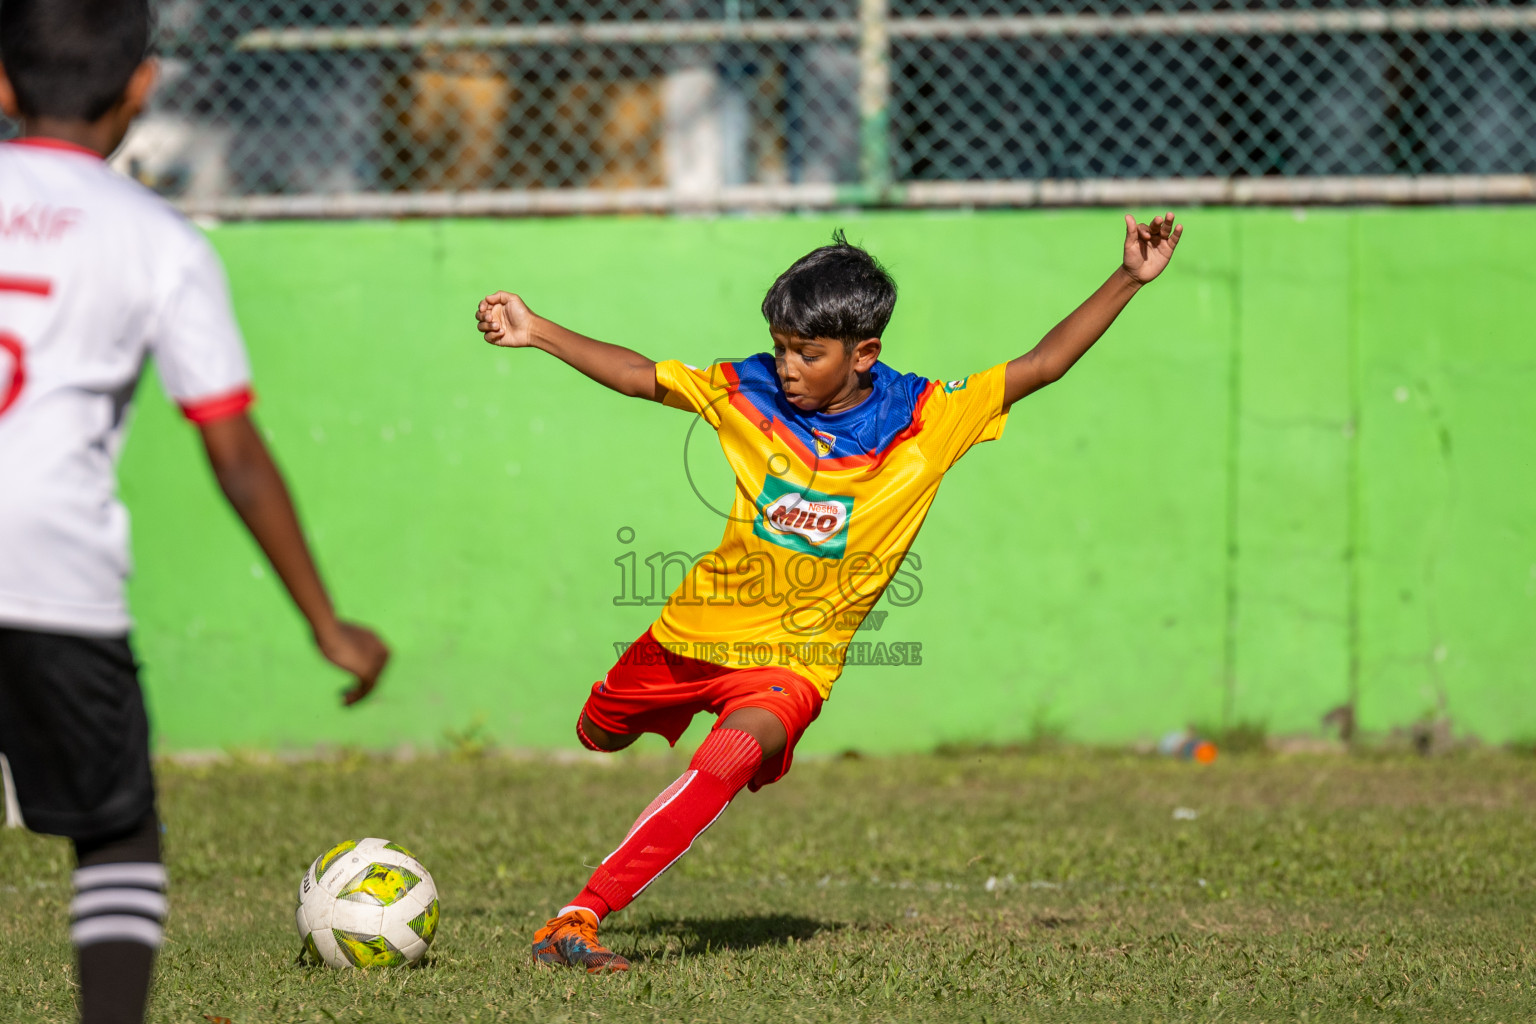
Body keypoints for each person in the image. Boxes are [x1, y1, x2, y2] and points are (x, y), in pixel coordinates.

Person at [476, 213, 1182, 973]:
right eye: (781, 347)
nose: (786, 366)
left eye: (807, 354)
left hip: (794, 666)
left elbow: (1042, 363)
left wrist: (1128, 280)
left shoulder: (927, 417)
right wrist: (537, 329)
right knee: (599, 733)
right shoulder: (746, 389)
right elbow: (640, 376)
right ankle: (615, 733)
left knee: (733, 754)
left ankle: (578, 918)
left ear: (863, 352)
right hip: (684, 640)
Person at [0, 2, 390, 1021]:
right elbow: (235, 453)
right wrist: (324, 620)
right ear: (142, 87)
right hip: (53, 569)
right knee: (116, 831)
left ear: (2, 82)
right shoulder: (155, 239)